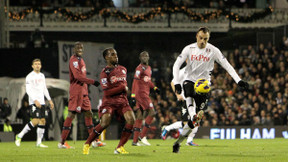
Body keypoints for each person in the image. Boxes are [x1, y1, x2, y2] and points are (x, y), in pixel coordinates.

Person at [172, 27, 249, 153]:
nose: (203, 41)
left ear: (209, 38)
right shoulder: (189, 49)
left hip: (204, 85)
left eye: (205, 39)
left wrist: (238, 80)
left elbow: (227, 65)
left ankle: (178, 142)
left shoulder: (213, 50)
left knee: (194, 123)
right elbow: (176, 64)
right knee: (189, 92)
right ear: (197, 36)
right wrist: (176, 82)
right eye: (201, 38)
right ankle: (192, 114)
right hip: (190, 80)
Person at [82, 47, 135, 155]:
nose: (116, 56)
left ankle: (119, 147)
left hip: (122, 101)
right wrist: (122, 88)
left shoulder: (123, 69)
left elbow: (125, 86)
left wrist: (128, 92)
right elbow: (107, 92)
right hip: (109, 102)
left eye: (116, 54)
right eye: (112, 54)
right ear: (106, 57)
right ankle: (87, 143)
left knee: (131, 120)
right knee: (105, 123)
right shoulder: (104, 73)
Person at [58, 42, 104, 149]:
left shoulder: (81, 60)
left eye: (81, 48)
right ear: (74, 49)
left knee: (89, 113)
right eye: (77, 47)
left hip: (84, 92)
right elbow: (78, 77)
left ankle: (94, 140)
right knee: (71, 115)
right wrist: (92, 81)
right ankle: (62, 142)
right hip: (76, 92)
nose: (79, 49)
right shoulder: (73, 60)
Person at [15, 58, 54, 148]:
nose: (37, 65)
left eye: (39, 64)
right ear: (32, 66)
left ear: (41, 66)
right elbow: (28, 90)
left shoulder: (42, 76)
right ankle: (19, 135)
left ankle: (39, 142)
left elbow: (44, 88)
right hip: (34, 102)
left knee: (43, 121)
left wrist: (50, 100)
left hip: (42, 102)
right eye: (36, 64)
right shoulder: (29, 76)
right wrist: (35, 100)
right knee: (36, 120)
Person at [161, 65, 199, 146]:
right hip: (186, 99)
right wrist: (177, 95)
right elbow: (173, 82)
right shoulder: (183, 71)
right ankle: (167, 128)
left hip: (195, 100)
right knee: (186, 123)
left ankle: (189, 141)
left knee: (196, 120)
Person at [130, 51, 160, 146]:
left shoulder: (149, 68)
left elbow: (148, 81)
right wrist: (133, 95)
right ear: (140, 58)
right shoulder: (139, 68)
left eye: (146, 55)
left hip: (145, 93)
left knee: (140, 116)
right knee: (152, 112)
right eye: (143, 56)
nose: (145, 57)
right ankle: (142, 136)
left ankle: (135, 141)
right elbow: (135, 81)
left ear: (148, 57)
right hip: (141, 94)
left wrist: (154, 87)